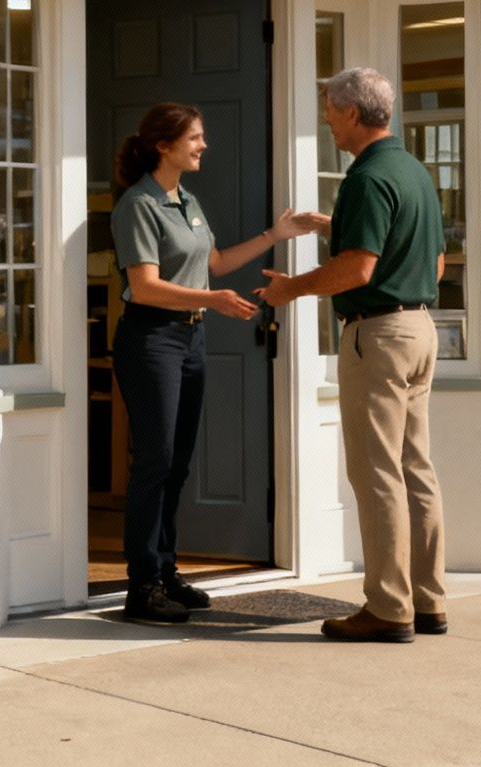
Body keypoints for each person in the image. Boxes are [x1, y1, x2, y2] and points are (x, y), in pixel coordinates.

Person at [110, 102, 326, 625]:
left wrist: (276, 235)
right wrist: (214, 300)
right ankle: (141, 587)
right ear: (164, 145)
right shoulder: (137, 205)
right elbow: (144, 288)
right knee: (155, 461)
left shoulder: (186, 200)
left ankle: (165, 571)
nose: (203, 146)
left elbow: (213, 264)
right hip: (151, 340)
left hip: (190, 342)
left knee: (178, 462)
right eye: (195, 138)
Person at [256, 68, 447, 643]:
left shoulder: (365, 178)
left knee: (376, 472)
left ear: (356, 115)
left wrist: (290, 288)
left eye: (332, 110)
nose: (327, 119)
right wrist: (335, 225)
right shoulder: (413, 172)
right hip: (420, 330)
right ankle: (427, 600)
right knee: (416, 470)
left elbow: (357, 269)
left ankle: (388, 609)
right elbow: (431, 263)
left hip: (378, 336)